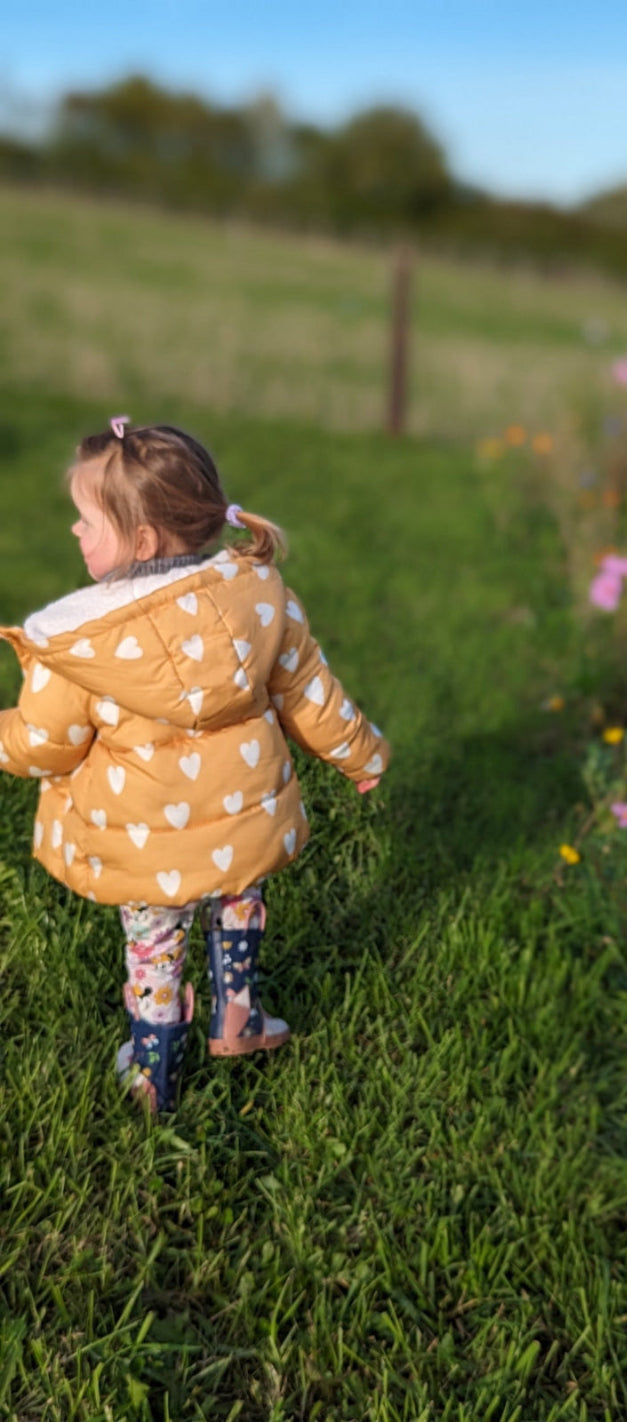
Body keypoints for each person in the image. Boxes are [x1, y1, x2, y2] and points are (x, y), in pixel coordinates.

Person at [0, 417, 389, 1113]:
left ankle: (154, 1073)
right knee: (237, 894)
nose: (74, 532)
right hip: (243, 817)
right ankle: (237, 1017)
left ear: (141, 541)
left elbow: (40, 744)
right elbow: (310, 691)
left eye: (86, 520)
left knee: (155, 944)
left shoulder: (82, 648)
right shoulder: (261, 597)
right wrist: (363, 753)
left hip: (149, 842)